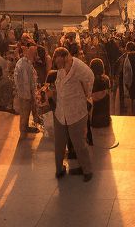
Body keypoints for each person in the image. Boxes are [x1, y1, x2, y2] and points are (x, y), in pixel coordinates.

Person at [51, 46, 94, 182]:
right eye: (56, 63)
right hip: (60, 113)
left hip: (77, 113)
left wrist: (88, 94)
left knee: (79, 143)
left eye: (60, 63)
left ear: (66, 58)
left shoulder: (78, 67)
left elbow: (90, 77)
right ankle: (59, 169)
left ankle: (87, 170)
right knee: (59, 144)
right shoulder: (60, 70)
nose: (58, 66)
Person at [14, 44, 40, 136]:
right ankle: (23, 131)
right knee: (24, 113)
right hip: (25, 94)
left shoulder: (25, 62)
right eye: (34, 54)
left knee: (26, 113)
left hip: (25, 93)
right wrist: (31, 96)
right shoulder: (24, 64)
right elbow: (25, 82)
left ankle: (25, 128)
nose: (36, 56)